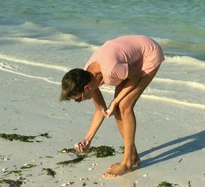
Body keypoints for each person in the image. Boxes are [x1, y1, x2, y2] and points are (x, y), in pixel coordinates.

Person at [60, 35, 164, 178]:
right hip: (126, 60)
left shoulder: (111, 71)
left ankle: (127, 162)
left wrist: (115, 101)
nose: (80, 102)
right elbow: (100, 110)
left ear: (87, 88)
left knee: (124, 106)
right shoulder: (87, 75)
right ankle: (132, 156)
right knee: (118, 109)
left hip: (149, 53)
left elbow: (137, 76)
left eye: (78, 99)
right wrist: (87, 140)